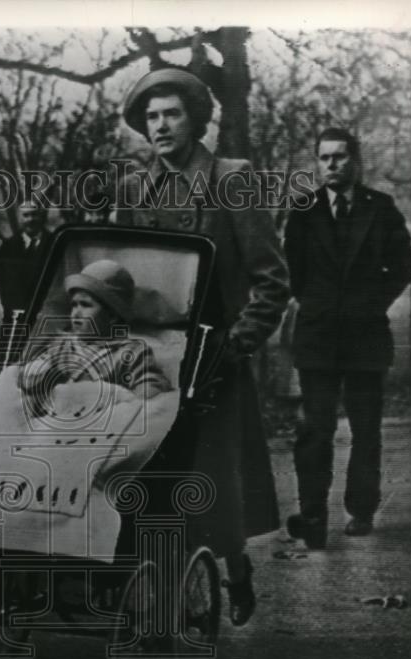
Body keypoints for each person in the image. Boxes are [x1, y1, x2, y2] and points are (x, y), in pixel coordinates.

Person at [115, 67, 290, 626]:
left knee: (217, 488)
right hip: (152, 362)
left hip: (215, 362)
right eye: (152, 117)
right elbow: (119, 273)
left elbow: (272, 281)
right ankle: (162, 593)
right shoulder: (136, 188)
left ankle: (235, 572)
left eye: (171, 114)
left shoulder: (231, 178)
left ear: (194, 119)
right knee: (152, 478)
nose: (161, 126)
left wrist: (236, 345)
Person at [282, 127, 411, 548]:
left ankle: (360, 510)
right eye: (324, 158)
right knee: (314, 431)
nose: (332, 165)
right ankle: (313, 515)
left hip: (365, 336)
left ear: (354, 161)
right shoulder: (303, 211)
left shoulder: (382, 209)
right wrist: (321, 305)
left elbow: (401, 266)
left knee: (365, 430)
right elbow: (294, 271)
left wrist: (370, 304)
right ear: (317, 163)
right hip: (319, 338)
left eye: (339, 157)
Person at [17, 259, 171, 418]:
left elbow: (152, 387)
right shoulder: (61, 345)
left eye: (85, 305)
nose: (75, 314)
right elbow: (27, 383)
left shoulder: (131, 352)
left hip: (100, 428)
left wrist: (130, 403)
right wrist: (35, 375)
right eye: (74, 305)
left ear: (111, 315)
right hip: (54, 423)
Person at [0, 197, 52, 327]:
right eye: (26, 215)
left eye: (34, 215)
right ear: (20, 218)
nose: (30, 219)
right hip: (14, 317)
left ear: (40, 216)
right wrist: (9, 306)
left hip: (44, 317)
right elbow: (1, 279)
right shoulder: (8, 246)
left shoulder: (52, 243)